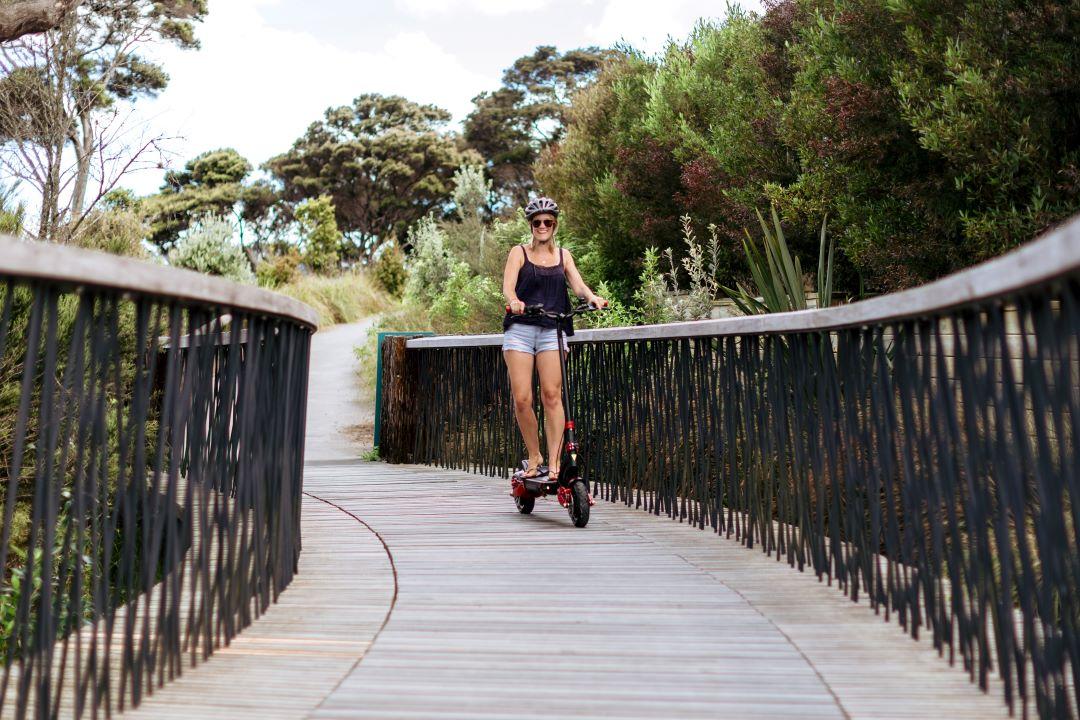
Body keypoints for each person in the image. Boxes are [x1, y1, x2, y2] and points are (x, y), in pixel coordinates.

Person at [502, 196, 607, 479]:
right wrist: (513, 300)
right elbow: (508, 287)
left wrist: (593, 297)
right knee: (523, 398)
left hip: (553, 329)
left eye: (548, 222)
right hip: (521, 330)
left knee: (552, 395)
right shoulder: (519, 253)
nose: (542, 226)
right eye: (537, 222)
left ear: (555, 225)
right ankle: (534, 457)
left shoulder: (564, 256)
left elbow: (578, 285)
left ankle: (555, 462)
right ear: (531, 225)